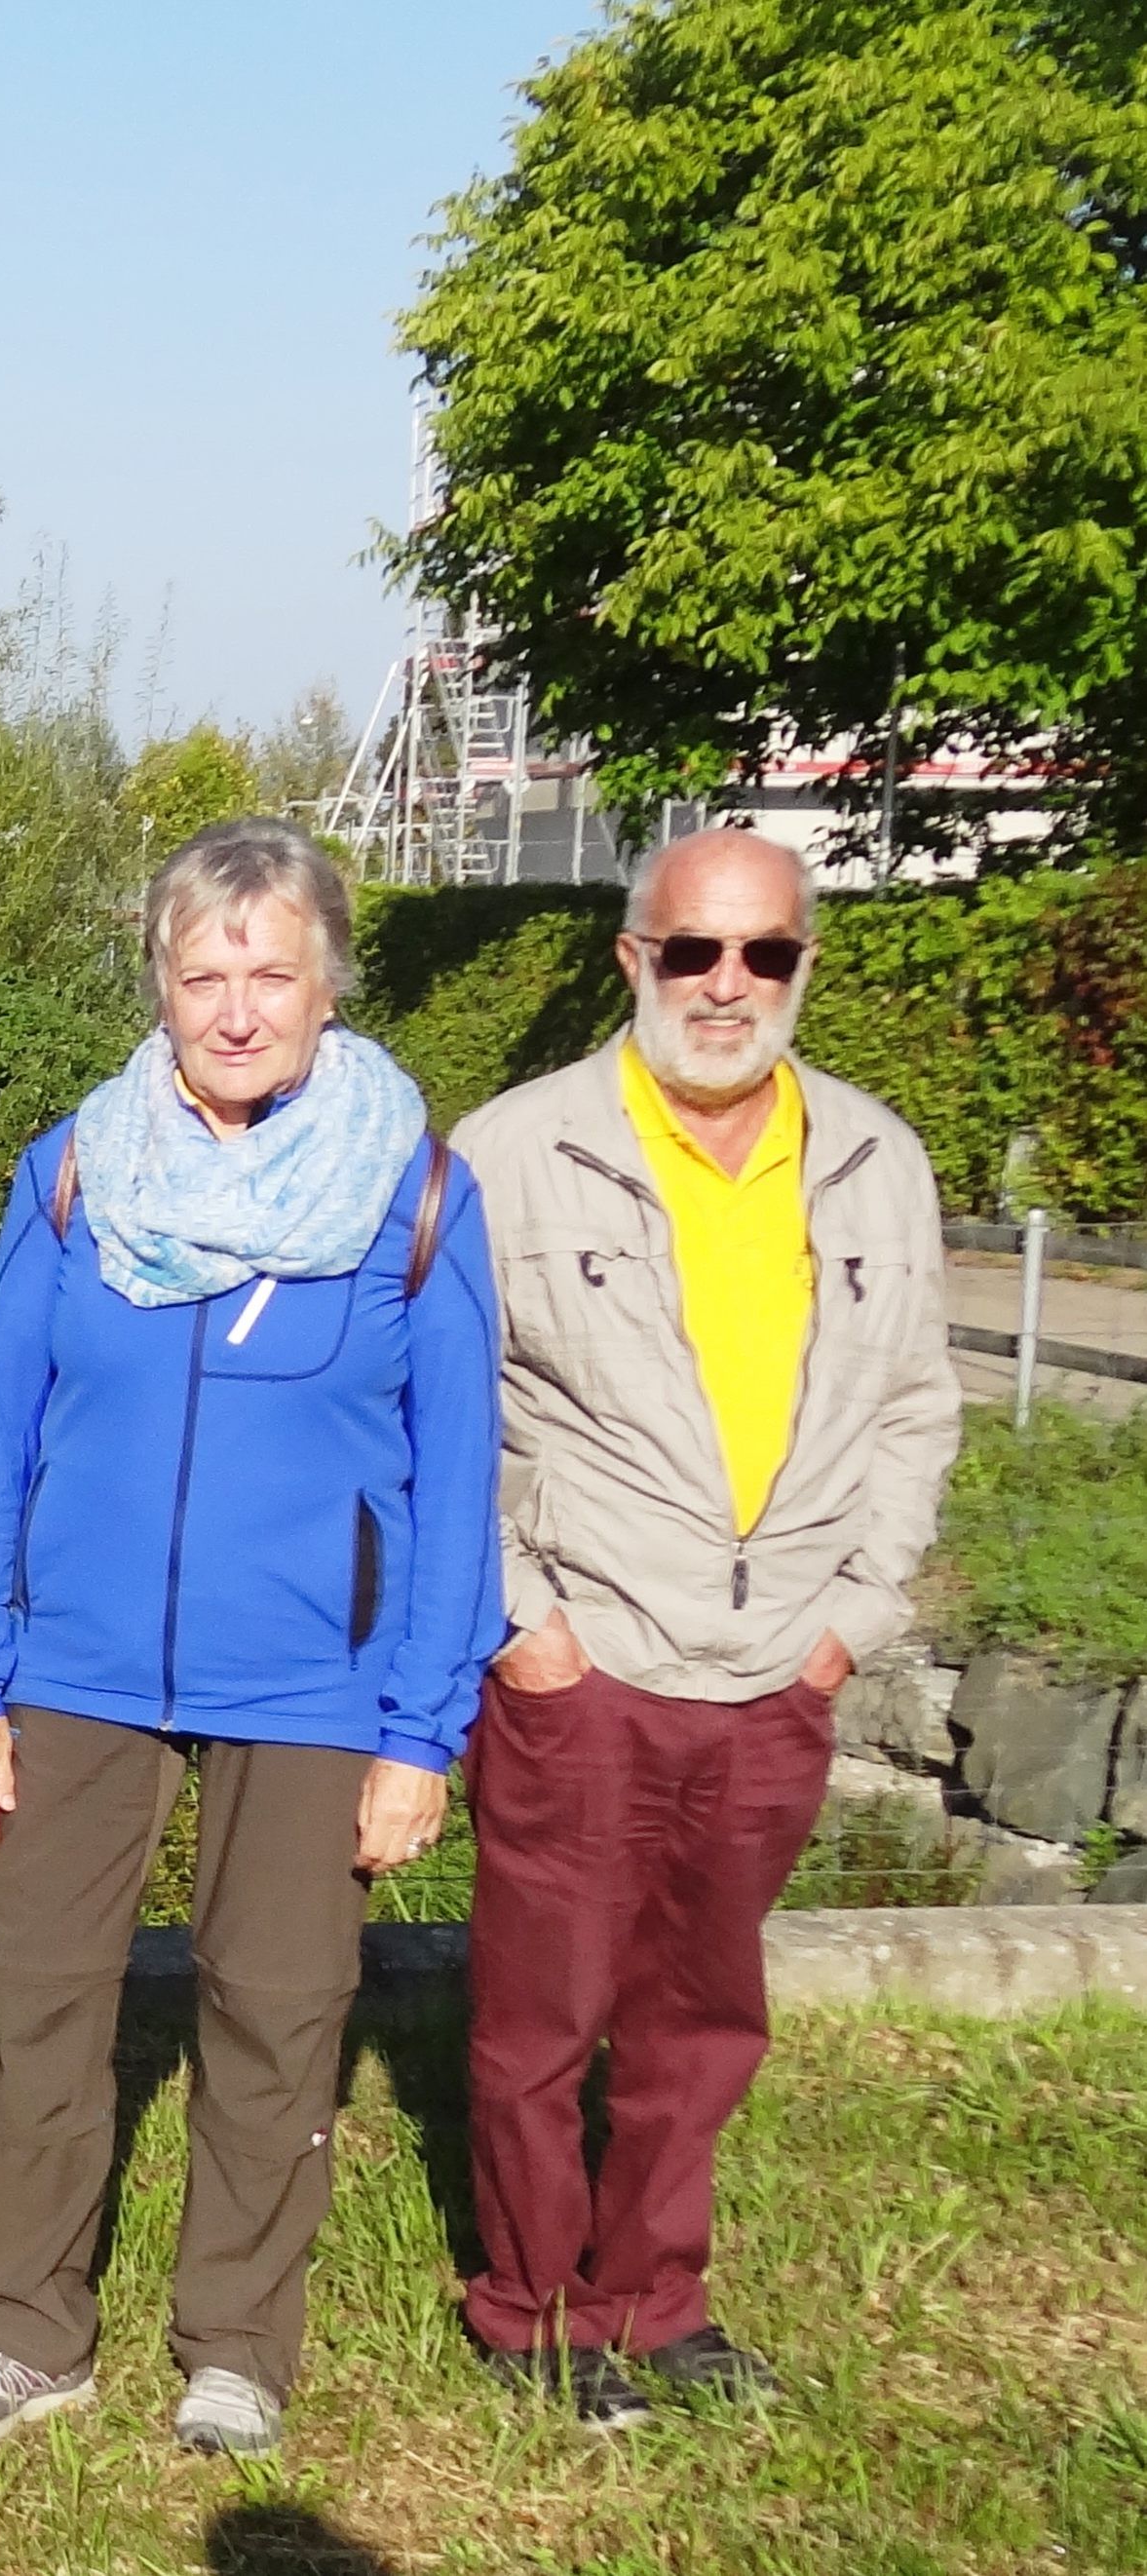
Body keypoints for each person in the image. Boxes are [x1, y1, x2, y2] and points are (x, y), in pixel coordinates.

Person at [0, 817, 503, 2460]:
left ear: (327, 990)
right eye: (202, 972)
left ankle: (236, 2339)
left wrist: (419, 1731)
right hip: (80, 1665)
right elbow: (0, 1432)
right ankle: (24, 2328)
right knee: (39, 1991)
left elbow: (456, 1490)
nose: (235, 1009)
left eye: (270, 973)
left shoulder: (418, 1195)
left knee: (278, 2004)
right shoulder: (77, 1173)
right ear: (160, 985)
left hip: (317, 1678)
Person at [453, 827, 959, 2425]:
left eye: (764, 955)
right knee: (542, 2022)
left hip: (777, 1677)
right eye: (693, 952)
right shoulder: (512, 1154)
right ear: (634, 960)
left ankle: (656, 2301)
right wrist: (525, 1625)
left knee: (703, 2021)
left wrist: (855, 1618)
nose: (726, 986)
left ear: (807, 964)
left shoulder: (879, 1163)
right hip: (586, 1665)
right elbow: (435, 1423)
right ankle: (536, 2315)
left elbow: (918, 1410)